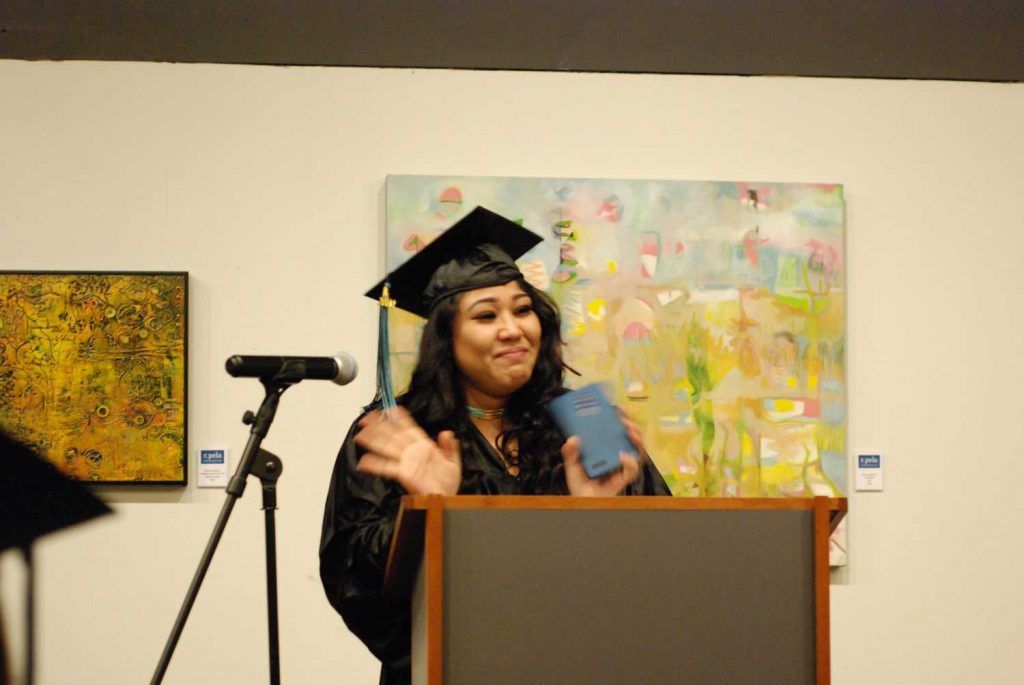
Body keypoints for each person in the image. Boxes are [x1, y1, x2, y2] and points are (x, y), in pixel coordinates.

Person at [319, 207, 670, 685]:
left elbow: (664, 565)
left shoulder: (586, 423)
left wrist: (596, 519)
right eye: (487, 315)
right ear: (446, 338)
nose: (513, 328)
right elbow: (353, 584)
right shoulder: (399, 432)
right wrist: (428, 510)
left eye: (522, 309)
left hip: (576, 665)